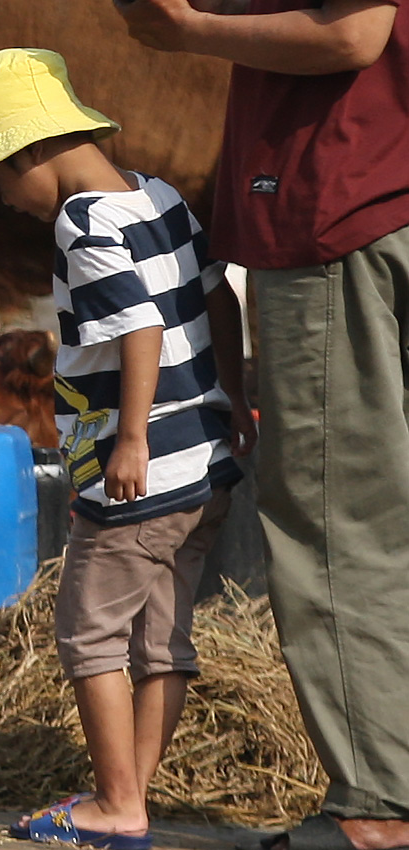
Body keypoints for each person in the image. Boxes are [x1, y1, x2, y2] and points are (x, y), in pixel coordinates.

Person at [0, 48, 257, 849]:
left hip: (138, 481)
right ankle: (132, 796)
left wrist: (130, 440)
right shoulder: (157, 196)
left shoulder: (84, 224)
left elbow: (140, 330)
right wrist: (229, 399)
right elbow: (215, 293)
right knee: (163, 641)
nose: (7, 203)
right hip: (203, 464)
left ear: (28, 151)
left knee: (87, 632)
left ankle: (116, 804)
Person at [114, 2, 409, 849]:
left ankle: (378, 810)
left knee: (339, 518)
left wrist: (186, 28)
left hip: (347, 197)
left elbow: (354, 32)